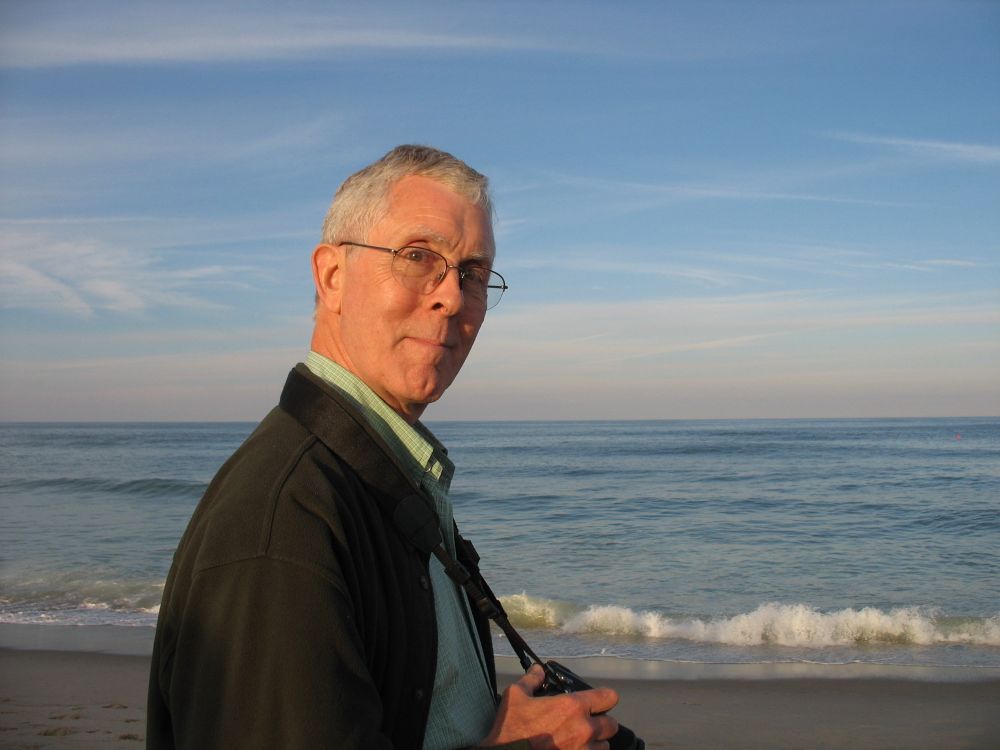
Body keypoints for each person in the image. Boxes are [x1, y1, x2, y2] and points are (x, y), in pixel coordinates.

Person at [146, 145, 622, 749]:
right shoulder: (284, 521)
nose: (452, 295)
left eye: (473, 273)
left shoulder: (384, 477)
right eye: (419, 256)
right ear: (332, 277)